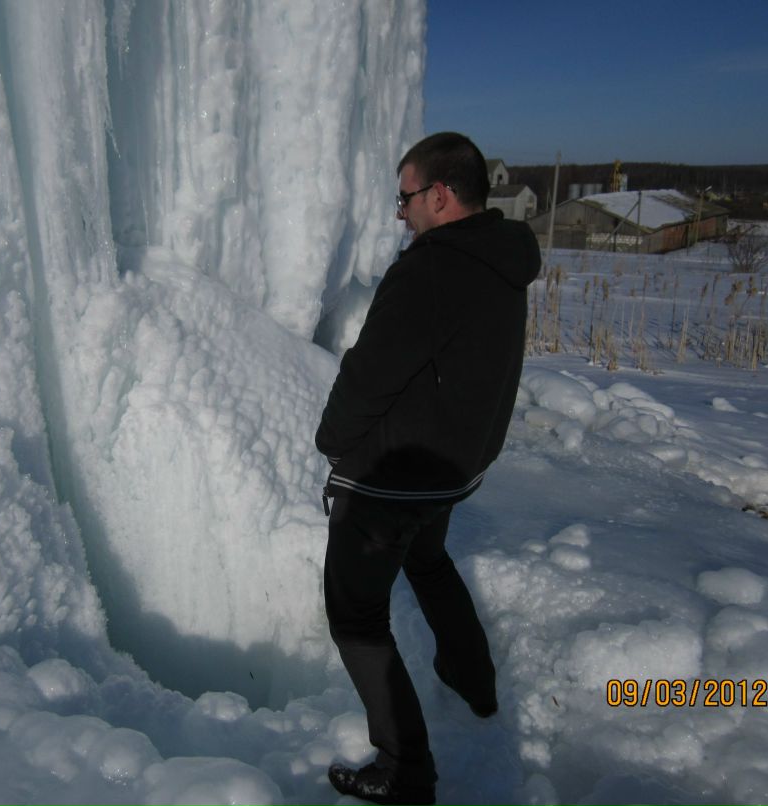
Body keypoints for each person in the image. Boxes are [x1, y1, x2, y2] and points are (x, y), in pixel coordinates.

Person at [315, 132, 541, 806]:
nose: (401, 212)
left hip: (393, 479)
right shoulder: (501, 258)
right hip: (451, 468)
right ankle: (473, 681)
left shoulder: (432, 267)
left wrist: (334, 441)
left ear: (439, 195)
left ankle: (405, 768)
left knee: (355, 613)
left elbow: (370, 373)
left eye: (405, 197)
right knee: (429, 561)